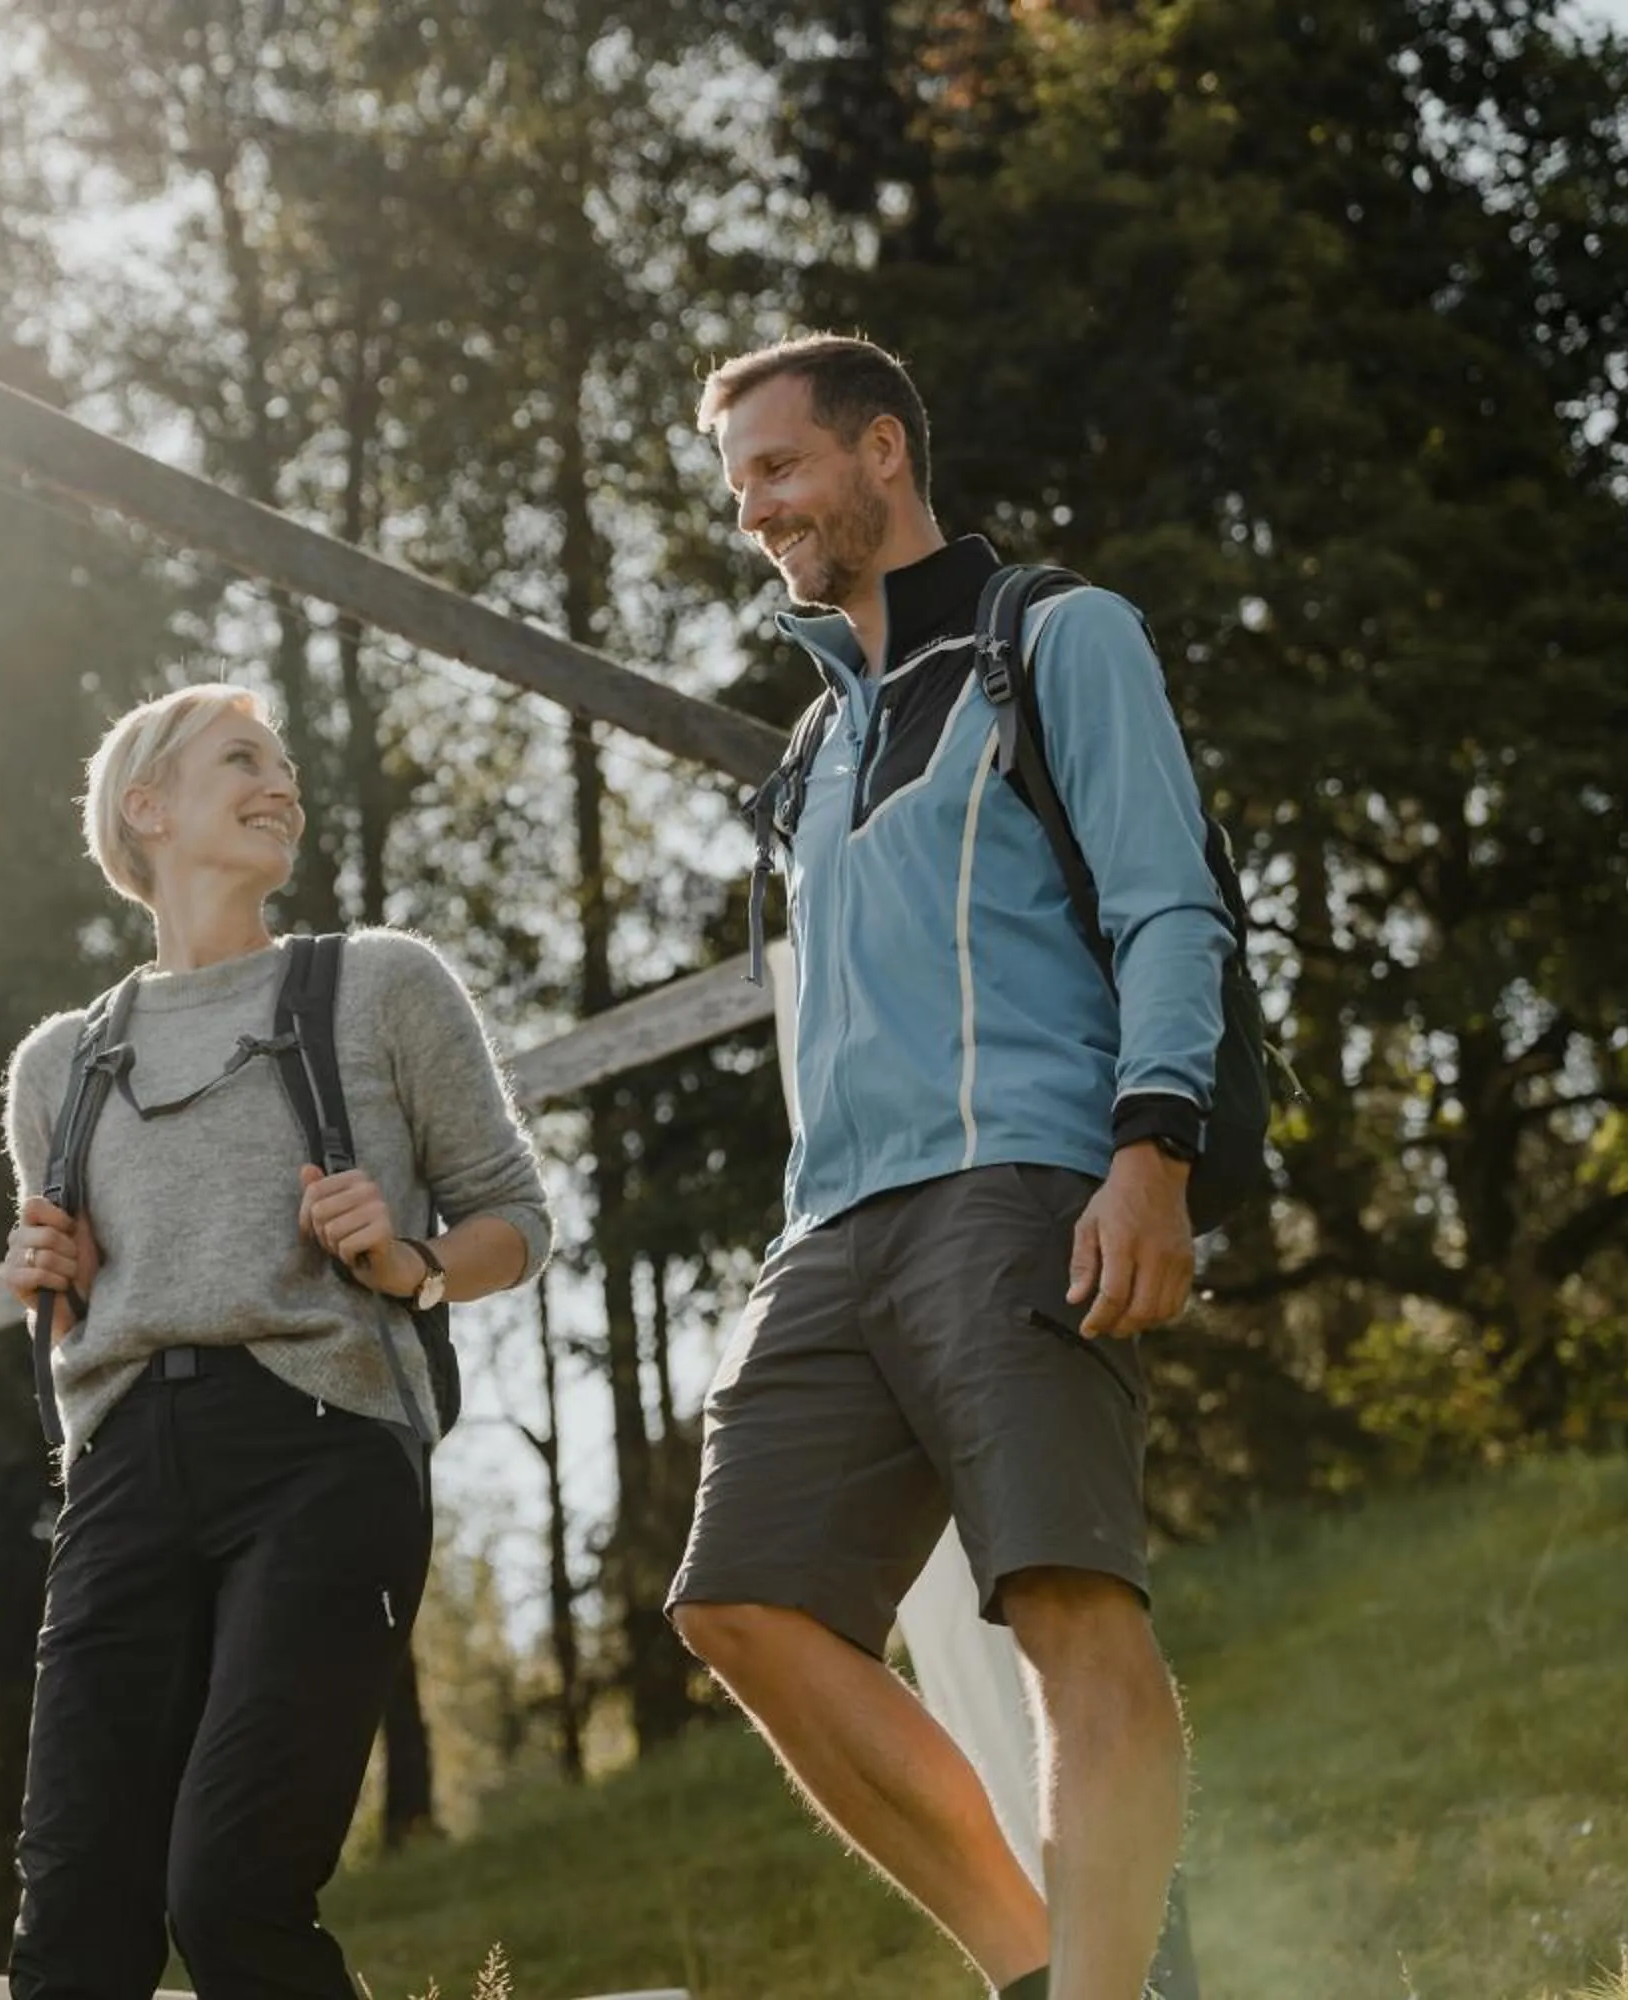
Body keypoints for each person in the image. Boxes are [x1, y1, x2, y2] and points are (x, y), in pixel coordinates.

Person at [668, 333, 1229, 2000]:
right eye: (739, 488)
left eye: (780, 468)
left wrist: (1154, 1150)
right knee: (739, 1603)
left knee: (1067, 1606)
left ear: (884, 451)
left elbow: (1170, 905)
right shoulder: (817, 739)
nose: (758, 511)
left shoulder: (1055, 636)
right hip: (830, 1227)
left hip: (1021, 1186)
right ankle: (1045, 1975)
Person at [0, 682, 551, 2000]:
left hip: (322, 1453)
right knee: (72, 1917)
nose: (281, 785)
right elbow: (81, 1316)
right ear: (147, 809)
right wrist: (51, 1284)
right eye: (243, 759)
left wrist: (409, 1260)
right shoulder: (60, 1066)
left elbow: (516, 1222)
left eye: (287, 767)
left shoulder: (383, 986)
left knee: (231, 1888)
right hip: (123, 1474)